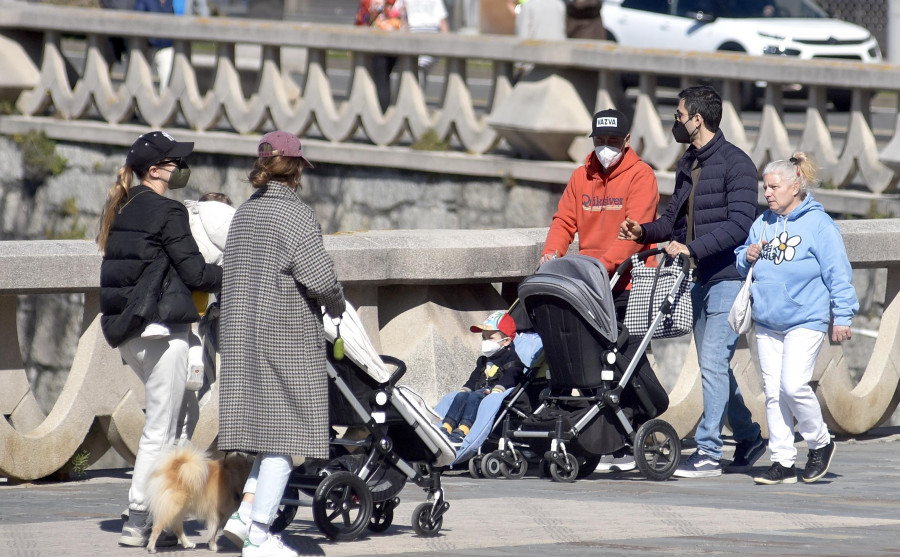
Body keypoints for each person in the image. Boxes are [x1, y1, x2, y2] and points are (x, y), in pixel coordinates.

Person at [619, 85, 765, 478]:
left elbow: (740, 225)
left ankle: (708, 452)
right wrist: (643, 232)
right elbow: (672, 222)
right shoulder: (689, 162)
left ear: (697, 119)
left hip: (727, 277)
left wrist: (692, 249)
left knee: (714, 363)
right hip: (697, 278)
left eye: (679, 115)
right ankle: (750, 437)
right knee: (713, 365)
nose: (675, 122)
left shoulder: (737, 164)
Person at [219, 130, 346, 557]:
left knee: (268, 436)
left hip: (242, 337)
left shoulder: (244, 214)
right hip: (284, 339)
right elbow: (322, 279)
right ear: (294, 169)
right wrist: (337, 303)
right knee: (286, 438)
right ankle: (258, 533)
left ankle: (242, 517)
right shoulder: (294, 216)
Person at [97, 130, 222, 548]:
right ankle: (138, 518)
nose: (180, 169)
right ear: (155, 170)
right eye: (174, 162)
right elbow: (198, 274)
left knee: (170, 424)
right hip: (163, 333)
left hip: (131, 333)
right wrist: (240, 268)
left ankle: (162, 514)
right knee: (161, 428)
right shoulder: (168, 211)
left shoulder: (122, 208)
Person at [735, 153, 857, 485]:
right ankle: (783, 461)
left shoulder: (819, 224)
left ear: (795, 186)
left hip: (807, 318)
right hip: (768, 320)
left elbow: (838, 272)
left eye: (774, 187)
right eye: (765, 187)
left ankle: (820, 441)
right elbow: (741, 262)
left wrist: (842, 315)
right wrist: (746, 257)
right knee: (773, 393)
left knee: (793, 385)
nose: (768, 193)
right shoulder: (763, 223)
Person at [540, 108, 659, 322]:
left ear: (627, 140)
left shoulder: (641, 175)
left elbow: (634, 233)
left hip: (632, 283)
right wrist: (551, 253)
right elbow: (564, 221)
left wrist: (600, 268)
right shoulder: (580, 176)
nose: (605, 147)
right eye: (599, 140)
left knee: (628, 353)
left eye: (613, 141)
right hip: (592, 284)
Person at [440, 310, 525, 445]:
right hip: (480, 391)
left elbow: (513, 373)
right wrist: (466, 388)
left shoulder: (511, 358)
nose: (485, 341)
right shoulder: (483, 360)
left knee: (474, 397)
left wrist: (499, 388)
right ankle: (446, 427)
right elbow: (474, 378)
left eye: (490, 338)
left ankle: (463, 430)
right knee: (461, 396)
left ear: (507, 341)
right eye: (483, 338)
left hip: (493, 394)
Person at [355, 0, 406, 112]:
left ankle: (383, 112)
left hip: (379, 40)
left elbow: (363, 18)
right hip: (399, 40)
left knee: (381, 80)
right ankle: (386, 110)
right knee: (387, 79)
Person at [403, 0, 449, 90]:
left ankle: (417, 95)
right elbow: (443, 23)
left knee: (419, 68)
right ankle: (418, 94)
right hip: (427, 36)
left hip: (419, 35)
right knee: (420, 69)